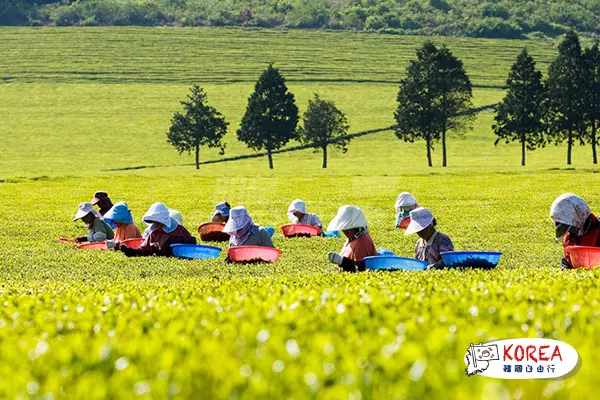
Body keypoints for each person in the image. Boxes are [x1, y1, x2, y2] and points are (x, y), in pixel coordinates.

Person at [120, 202, 196, 257]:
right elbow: (145, 248)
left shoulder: (179, 231)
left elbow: (191, 245)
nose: (156, 224)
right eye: (154, 222)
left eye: (157, 222)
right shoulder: (153, 233)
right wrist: (132, 251)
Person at [550, 193, 600, 269]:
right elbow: (566, 261)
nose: (569, 231)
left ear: (579, 216)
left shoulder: (597, 230)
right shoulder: (570, 237)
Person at [326, 206, 378, 272]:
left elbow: (360, 269)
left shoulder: (362, 242)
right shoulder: (351, 237)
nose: (344, 231)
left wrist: (342, 261)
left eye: (348, 228)